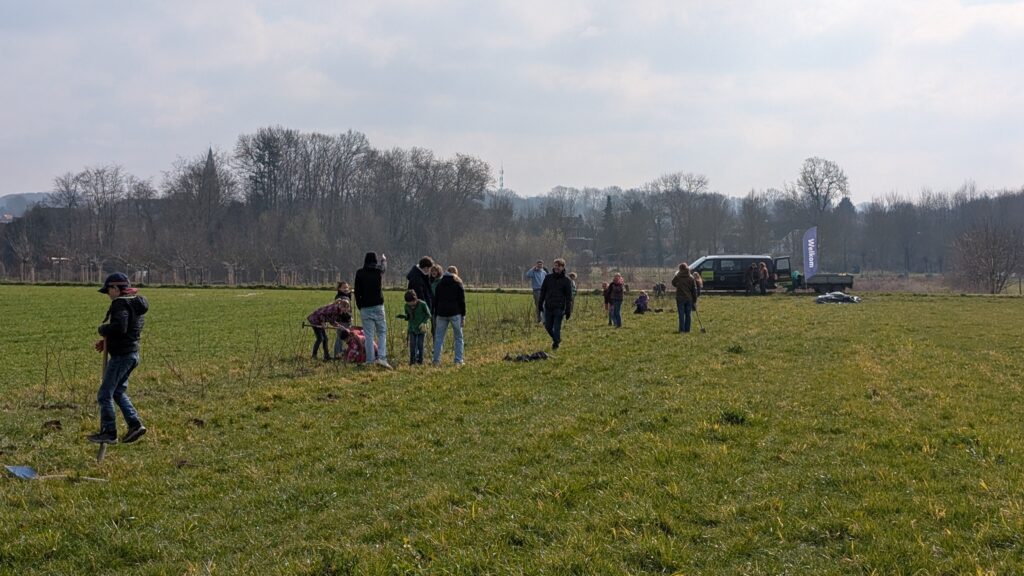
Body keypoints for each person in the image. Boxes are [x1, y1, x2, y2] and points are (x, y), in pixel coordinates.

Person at [89, 272, 149, 445]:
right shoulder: (135, 303)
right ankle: (135, 425)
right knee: (117, 392)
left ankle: (109, 432)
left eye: (108, 290)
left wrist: (104, 329)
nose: (108, 294)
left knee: (104, 394)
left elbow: (120, 327)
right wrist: (108, 341)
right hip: (132, 354)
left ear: (116, 288)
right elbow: (129, 330)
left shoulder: (120, 304)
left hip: (121, 356)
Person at [354, 252, 392, 369]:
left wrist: (360, 305)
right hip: (378, 306)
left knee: (369, 335)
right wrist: (384, 260)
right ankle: (382, 358)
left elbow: (357, 291)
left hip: (365, 307)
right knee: (381, 333)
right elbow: (384, 268)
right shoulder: (378, 271)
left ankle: (369, 360)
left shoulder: (360, 273)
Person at [433, 265, 466, 366]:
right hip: (455, 313)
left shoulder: (440, 284)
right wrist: (463, 316)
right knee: (458, 337)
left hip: (441, 313)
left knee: (439, 338)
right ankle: (458, 360)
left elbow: (436, 300)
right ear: (456, 273)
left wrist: (435, 313)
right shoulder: (458, 283)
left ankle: (436, 361)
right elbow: (462, 301)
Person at [539, 258, 573, 349]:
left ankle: (556, 344)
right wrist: (540, 304)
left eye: (558, 266)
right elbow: (543, 291)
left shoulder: (567, 281)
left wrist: (568, 309)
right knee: (548, 326)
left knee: (557, 327)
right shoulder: (548, 278)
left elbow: (569, 297)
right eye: (555, 266)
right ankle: (557, 339)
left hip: (559, 307)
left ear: (563, 267)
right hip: (548, 306)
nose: (556, 268)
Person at [397, 289, 431, 365]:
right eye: (409, 304)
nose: (411, 305)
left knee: (420, 345)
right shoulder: (406, 306)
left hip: (421, 328)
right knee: (412, 345)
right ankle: (412, 361)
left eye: (412, 303)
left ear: (415, 299)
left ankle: (420, 361)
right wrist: (404, 317)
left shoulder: (423, 304)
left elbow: (428, 315)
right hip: (412, 328)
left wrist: (424, 322)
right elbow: (408, 317)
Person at [672, 263, 697, 333]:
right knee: (688, 314)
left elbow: (673, 282)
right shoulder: (691, 277)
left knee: (681, 314)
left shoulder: (678, 276)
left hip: (680, 298)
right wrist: (695, 300)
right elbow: (694, 290)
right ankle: (687, 330)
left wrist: (677, 285)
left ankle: (681, 330)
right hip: (689, 298)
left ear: (680, 269)